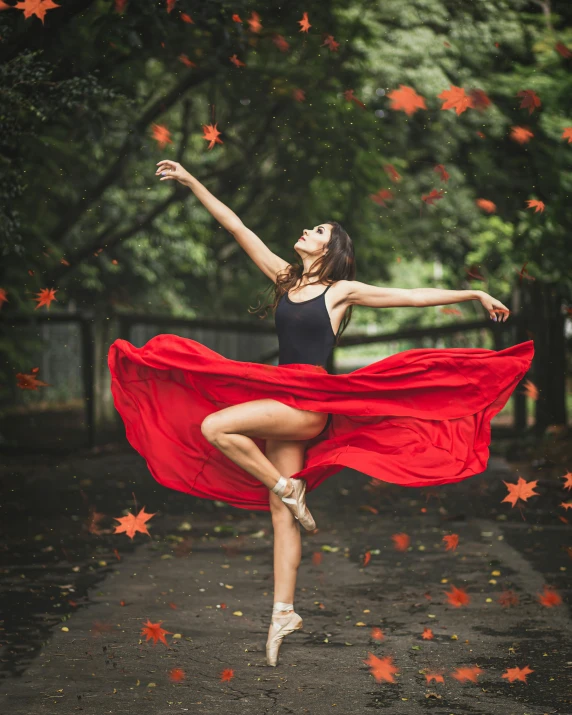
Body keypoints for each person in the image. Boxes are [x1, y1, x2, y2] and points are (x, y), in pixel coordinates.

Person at [108, 159, 534, 668]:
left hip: (307, 405)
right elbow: (236, 224)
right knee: (279, 513)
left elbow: (413, 296)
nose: (308, 231)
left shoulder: (340, 292)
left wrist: (474, 293)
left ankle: (290, 487)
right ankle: (283, 612)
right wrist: (192, 180)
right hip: (280, 399)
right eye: (312, 228)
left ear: (330, 250)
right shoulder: (285, 278)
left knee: (214, 426)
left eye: (318, 231)